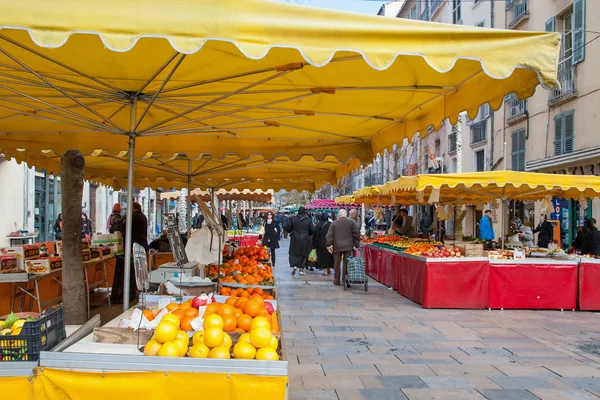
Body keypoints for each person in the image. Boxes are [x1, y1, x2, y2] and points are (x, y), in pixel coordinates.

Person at [110, 202, 148, 304]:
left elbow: (121, 228)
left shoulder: (134, 217)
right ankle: (138, 291)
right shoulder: (143, 217)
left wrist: (121, 220)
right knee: (140, 271)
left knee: (132, 271)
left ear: (132, 209)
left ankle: (131, 294)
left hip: (133, 247)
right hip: (142, 246)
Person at [326, 209, 360, 286]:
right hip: (348, 246)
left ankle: (337, 280)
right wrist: (356, 245)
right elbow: (356, 234)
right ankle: (346, 280)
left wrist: (329, 245)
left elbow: (329, 235)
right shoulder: (351, 222)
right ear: (346, 215)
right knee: (346, 263)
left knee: (337, 263)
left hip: (337, 246)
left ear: (339, 215)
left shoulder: (334, 223)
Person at [284, 206, 315, 276]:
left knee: (294, 253)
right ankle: (301, 269)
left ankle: (294, 265)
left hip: (295, 238)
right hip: (304, 239)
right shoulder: (308, 220)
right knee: (303, 254)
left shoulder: (293, 218)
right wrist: (307, 233)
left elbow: (288, 228)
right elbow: (313, 230)